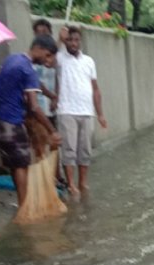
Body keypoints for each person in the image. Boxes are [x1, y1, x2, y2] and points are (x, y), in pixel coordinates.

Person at [0, 35, 61, 208]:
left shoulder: (12, 59)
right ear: (39, 48)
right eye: (48, 55)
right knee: (22, 164)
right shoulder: (28, 70)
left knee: (14, 164)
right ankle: (25, 207)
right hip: (12, 119)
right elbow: (35, 107)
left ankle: (22, 203)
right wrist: (52, 131)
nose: (48, 61)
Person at [56, 26, 109, 195]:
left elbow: (96, 89)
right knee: (69, 149)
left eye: (76, 40)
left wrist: (100, 114)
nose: (73, 43)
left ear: (80, 41)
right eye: (70, 40)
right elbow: (49, 56)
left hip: (87, 111)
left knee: (85, 150)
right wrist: (59, 39)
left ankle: (83, 182)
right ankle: (71, 184)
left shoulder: (89, 61)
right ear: (66, 41)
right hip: (67, 111)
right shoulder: (60, 58)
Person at [32, 19, 59, 126]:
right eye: (39, 33)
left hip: (52, 106)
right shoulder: (33, 56)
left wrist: (55, 98)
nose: (41, 35)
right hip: (38, 106)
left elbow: (57, 78)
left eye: (45, 32)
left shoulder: (54, 56)